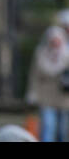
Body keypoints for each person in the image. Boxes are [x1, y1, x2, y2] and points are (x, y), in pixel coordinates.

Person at [25, 9, 69, 141]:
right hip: (46, 98)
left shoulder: (66, 55)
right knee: (48, 128)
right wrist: (32, 93)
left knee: (62, 130)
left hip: (64, 98)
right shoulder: (41, 54)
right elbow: (34, 76)